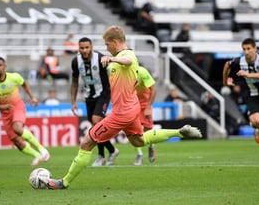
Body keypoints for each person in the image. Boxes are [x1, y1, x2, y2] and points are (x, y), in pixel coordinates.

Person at [46, 25, 202, 189]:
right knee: (139, 140)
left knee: (86, 143)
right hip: (130, 108)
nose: (106, 48)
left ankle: (64, 182)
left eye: (107, 45)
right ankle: (180, 132)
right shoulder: (118, 58)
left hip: (121, 113)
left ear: (114, 42)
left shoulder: (127, 54)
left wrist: (112, 59)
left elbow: (128, 61)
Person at [0, 56, 50, 166]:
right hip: (5, 112)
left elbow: (24, 84)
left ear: (5, 66)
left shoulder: (14, 77)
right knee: (17, 142)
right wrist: (3, 107)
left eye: (0, 65)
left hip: (17, 106)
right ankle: (37, 155)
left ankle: (42, 149)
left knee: (17, 129)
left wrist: (32, 97)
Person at [71, 37, 119, 167]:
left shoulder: (100, 59)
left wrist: (115, 97)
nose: (85, 50)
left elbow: (113, 76)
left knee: (96, 121)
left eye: (87, 47)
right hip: (89, 96)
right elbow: (74, 82)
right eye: (82, 48)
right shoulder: (76, 61)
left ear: (91, 47)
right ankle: (112, 150)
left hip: (103, 94)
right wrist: (73, 102)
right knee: (95, 126)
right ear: (79, 48)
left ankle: (101, 156)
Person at [134, 65, 157, 166]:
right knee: (134, 130)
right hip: (133, 105)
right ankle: (139, 154)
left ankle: (151, 146)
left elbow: (154, 89)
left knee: (148, 129)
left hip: (145, 104)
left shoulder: (142, 71)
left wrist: (148, 107)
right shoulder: (122, 73)